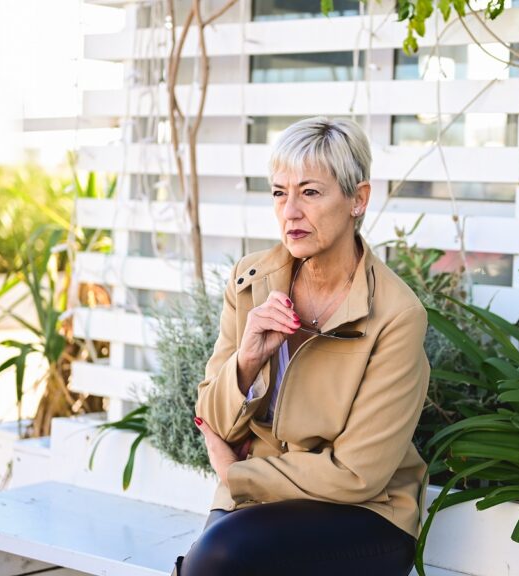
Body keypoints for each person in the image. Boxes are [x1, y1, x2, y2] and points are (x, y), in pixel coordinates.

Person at [173, 116, 430, 576]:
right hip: (261, 499)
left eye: (310, 192)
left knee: (218, 558)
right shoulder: (250, 280)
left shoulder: (397, 315)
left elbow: (357, 474)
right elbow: (213, 418)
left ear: (358, 199)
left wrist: (236, 474)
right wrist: (248, 359)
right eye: (279, 192)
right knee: (211, 559)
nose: (290, 211)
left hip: (366, 517)